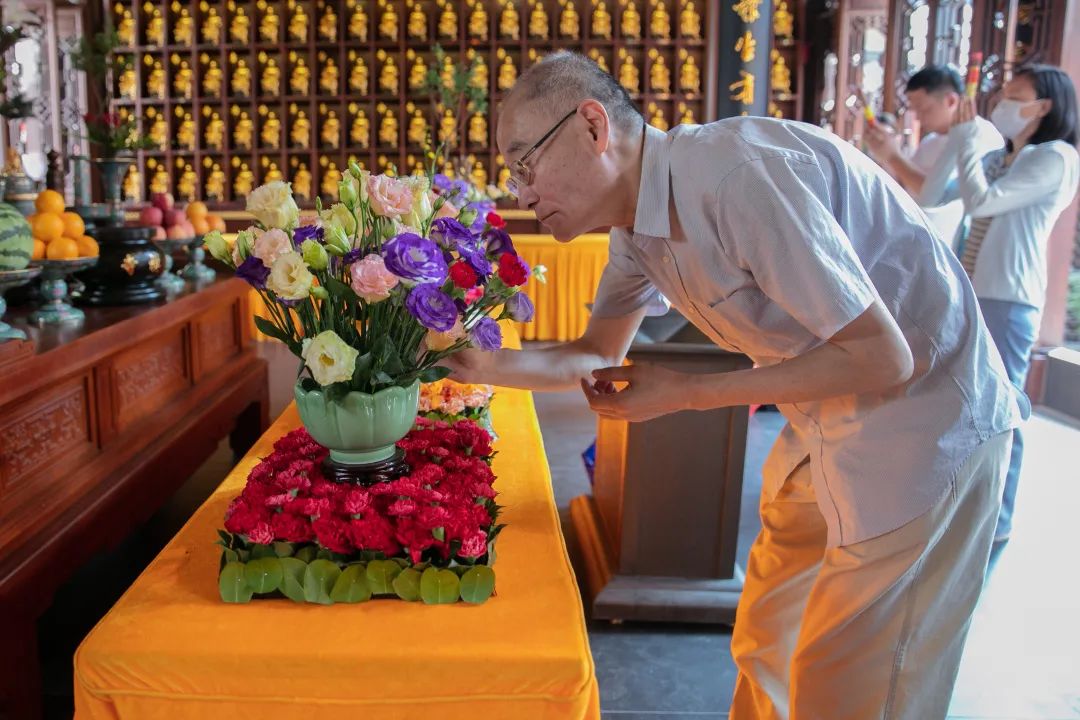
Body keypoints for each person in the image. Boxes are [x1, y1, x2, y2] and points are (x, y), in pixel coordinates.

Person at [445, 51, 1025, 719]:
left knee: (855, 682)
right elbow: (593, 353)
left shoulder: (734, 176)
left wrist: (685, 393)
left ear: (593, 127)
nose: (522, 193)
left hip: (923, 428)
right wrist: (473, 364)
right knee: (766, 637)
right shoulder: (637, 233)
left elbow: (883, 358)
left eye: (525, 165)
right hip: (824, 425)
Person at [950, 64, 1079, 543]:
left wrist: (965, 138)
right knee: (972, 405)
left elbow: (981, 203)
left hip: (1007, 296)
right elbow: (965, 196)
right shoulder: (1010, 157)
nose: (1002, 103)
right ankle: (972, 511)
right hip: (979, 289)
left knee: (1004, 410)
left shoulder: (1056, 157)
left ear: (1043, 106)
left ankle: (997, 521)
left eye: (1015, 95)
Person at [865, 64, 1004, 251]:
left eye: (923, 109)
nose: (919, 118)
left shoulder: (979, 136)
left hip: (947, 244)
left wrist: (893, 156)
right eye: (915, 110)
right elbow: (907, 187)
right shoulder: (931, 140)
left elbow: (937, 195)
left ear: (951, 101)